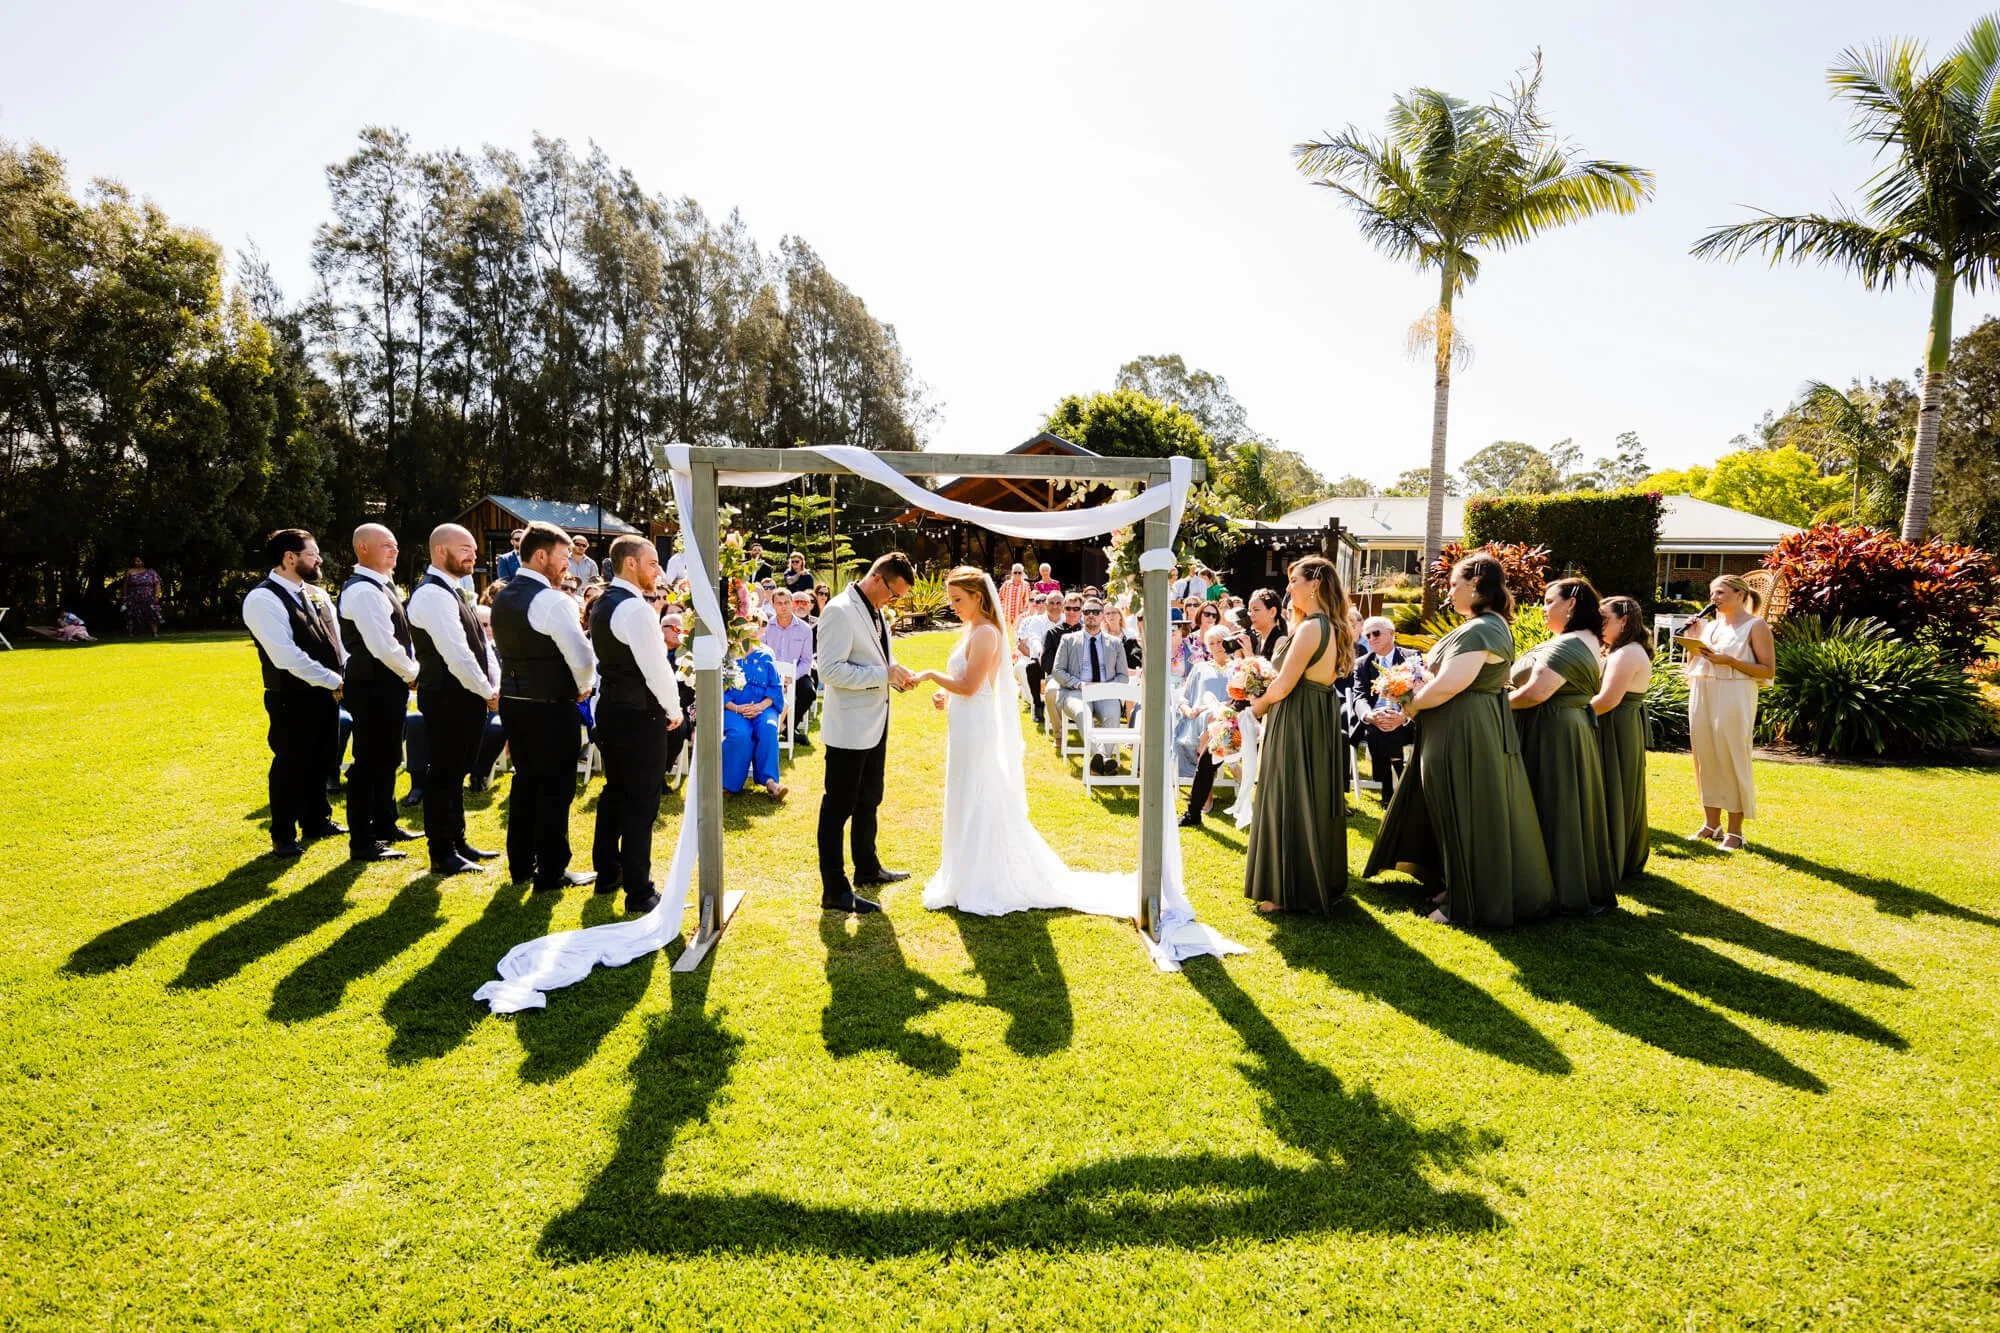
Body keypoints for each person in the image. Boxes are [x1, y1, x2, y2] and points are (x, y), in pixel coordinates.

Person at [915, 568, 1134, 917]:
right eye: (951, 599)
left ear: (978, 597)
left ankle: (984, 876)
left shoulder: (986, 632)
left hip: (977, 723)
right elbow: (966, 679)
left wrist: (928, 676)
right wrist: (945, 692)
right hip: (965, 721)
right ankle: (962, 871)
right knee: (964, 789)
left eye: (958, 599)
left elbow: (972, 686)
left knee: (979, 791)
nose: (952, 606)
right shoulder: (972, 630)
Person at [1365, 554, 1554, 927]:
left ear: (1477, 585)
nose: (1447, 590)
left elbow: (1451, 684)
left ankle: (1469, 900)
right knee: (1448, 808)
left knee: (1462, 808)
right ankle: (1455, 884)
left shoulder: (1483, 629)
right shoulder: (1481, 625)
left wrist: (1409, 707)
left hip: (1464, 729)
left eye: (1454, 584)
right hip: (1455, 725)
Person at [493, 520, 599, 892]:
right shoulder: (554, 601)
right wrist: (585, 688)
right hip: (550, 706)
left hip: (514, 703)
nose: (568, 563)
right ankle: (551, 870)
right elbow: (581, 656)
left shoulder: (503, 595)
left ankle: (521, 864)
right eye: (563, 556)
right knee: (555, 788)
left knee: (525, 781)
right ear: (541, 555)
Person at [1243, 556, 1350, 914]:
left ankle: (1283, 890)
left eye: (1294, 581)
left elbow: (1284, 685)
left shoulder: (1311, 629)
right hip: (1318, 717)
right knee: (1312, 796)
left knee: (1286, 795)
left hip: (1297, 717)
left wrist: (1254, 707)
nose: (1289, 588)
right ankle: (1312, 878)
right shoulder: (1333, 626)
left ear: (1314, 584)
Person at [1510, 578, 1618, 914]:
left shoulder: (1567, 646)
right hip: (1566, 727)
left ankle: (1552, 884)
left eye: (1548, 600)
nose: (1543, 608)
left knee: (1552, 802)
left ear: (1571, 603)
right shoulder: (1584, 641)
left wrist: (1491, 704)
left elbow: (1535, 694)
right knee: (1564, 803)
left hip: (1552, 731)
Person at [817, 551, 916, 913]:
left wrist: (895, 673)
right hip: (848, 728)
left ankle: (867, 868)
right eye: (894, 594)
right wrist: (882, 676)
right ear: (878, 579)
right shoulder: (839, 611)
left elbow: (875, 661)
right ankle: (834, 889)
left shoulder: (874, 611)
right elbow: (829, 671)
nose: (894, 601)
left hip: (875, 722)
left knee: (870, 797)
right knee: (838, 806)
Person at [588, 535, 681, 913]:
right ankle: (639, 891)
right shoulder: (636, 609)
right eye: (653, 563)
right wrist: (674, 709)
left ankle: (608, 871)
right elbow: (656, 668)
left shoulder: (602, 603)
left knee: (615, 792)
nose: (658, 570)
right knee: (642, 801)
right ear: (631, 564)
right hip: (639, 714)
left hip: (610, 709)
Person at [243, 529, 346, 857]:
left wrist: (344, 675)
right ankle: (283, 834)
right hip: (291, 696)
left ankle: (317, 819)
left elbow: (337, 642)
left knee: (321, 758)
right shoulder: (262, 599)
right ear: (290, 557)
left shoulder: (316, 594)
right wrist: (333, 680)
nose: (319, 560)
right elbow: (285, 655)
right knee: (291, 763)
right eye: (313, 554)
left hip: (327, 693)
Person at [407, 523, 503, 876]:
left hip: (469, 695)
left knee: (457, 772)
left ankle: (458, 841)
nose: (473, 554)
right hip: (448, 695)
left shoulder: (457, 589)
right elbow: (457, 653)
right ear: (439, 551)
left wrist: (492, 683)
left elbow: (481, 644)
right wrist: (486, 690)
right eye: (464, 547)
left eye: (474, 549)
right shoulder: (431, 594)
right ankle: (441, 852)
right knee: (443, 774)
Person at [338, 523, 422, 863]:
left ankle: (386, 824)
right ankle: (363, 840)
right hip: (373, 685)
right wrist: (413, 674)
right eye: (386, 545)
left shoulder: (381, 586)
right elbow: (382, 646)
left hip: (387, 685)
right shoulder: (363, 591)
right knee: (369, 762)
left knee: (388, 759)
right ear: (363, 548)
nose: (394, 551)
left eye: (396, 545)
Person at [1683, 574, 1774, 851]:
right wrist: (1692, 639)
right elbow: (1694, 661)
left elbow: (1767, 670)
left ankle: (1736, 831)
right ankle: (1711, 823)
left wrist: (1730, 662)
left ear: (1739, 594)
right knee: (1704, 755)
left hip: (1735, 693)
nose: (1714, 599)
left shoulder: (1755, 626)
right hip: (1703, 689)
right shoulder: (1709, 626)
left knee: (1732, 755)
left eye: (1720, 593)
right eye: (1712, 593)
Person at [1592, 595, 1654, 879]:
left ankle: (1614, 856)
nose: (1599, 624)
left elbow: (1607, 700)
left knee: (1616, 785)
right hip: (1613, 722)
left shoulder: (1628, 653)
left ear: (1624, 620)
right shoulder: (1617, 649)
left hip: (1617, 725)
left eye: (1605, 618)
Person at [1050, 599, 1130, 776]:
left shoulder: (1115, 643)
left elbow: (1123, 676)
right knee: (1082, 713)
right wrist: (1079, 684)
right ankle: (1103, 759)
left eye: (1095, 611)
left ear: (1103, 616)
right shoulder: (1068, 640)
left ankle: (1099, 761)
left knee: (1112, 713)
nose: (1091, 615)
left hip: (1105, 692)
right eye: (1087, 612)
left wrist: (1108, 687)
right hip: (1075, 692)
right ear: (1082, 615)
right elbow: (1057, 671)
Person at [1345, 616, 1419, 804]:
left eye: (1376, 633)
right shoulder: (1362, 663)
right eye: (1367, 635)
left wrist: (1403, 716)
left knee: (1387, 728)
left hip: (1405, 718)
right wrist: (1369, 715)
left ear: (1391, 633)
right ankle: (1399, 778)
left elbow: (1420, 691)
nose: (1371, 638)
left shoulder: (1410, 657)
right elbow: (1359, 696)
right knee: (1377, 727)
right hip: (1374, 719)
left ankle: (1387, 792)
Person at [723, 635, 789, 799]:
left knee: (769, 727)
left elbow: (775, 687)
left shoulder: (765, 656)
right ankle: (728, 784)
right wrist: (736, 708)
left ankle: (771, 782)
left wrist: (760, 707)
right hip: (732, 708)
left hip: (763, 707)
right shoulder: (724, 657)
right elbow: (718, 689)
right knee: (740, 735)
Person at [1174, 625, 1234, 778]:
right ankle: (1215, 773)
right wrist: (1189, 711)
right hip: (1194, 721)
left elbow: (1237, 700)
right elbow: (1183, 698)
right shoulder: (1199, 668)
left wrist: (1210, 708)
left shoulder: (1236, 668)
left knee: (1212, 718)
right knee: (1208, 719)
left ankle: (1203, 776)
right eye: (1212, 643)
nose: (1216, 647)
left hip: (1224, 720)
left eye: (1220, 642)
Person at [762, 588, 817, 735]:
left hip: (796, 674)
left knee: (808, 692)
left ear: (792, 603)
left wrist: (792, 676)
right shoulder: (766, 627)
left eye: (786, 602)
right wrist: (776, 677)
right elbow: (762, 655)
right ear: (773, 605)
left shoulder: (805, 629)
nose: (783, 606)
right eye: (779, 603)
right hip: (770, 675)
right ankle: (773, 727)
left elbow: (806, 661)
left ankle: (786, 727)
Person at [1036, 594, 1084, 727]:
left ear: (1081, 610)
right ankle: (1059, 732)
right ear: (1063, 609)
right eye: (1068, 608)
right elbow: (1046, 664)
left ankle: (1093, 731)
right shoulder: (1052, 633)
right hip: (1057, 677)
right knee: (1050, 692)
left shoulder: (1088, 632)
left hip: (1084, 678)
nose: (1072, 612)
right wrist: (1065, 676)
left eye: (1076, 609)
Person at [659, 612, 697, 778]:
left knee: (675, 730)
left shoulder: (689, 657)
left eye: (682, 629)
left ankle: (660, 775)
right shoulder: (653, 653)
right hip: (653, 707)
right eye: (675, 628)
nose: (679, 632)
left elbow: (692, 692)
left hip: (681, 710)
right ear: (661, 630)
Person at [122, 556, 163, 637]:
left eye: (138, 561)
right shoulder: (130, 571)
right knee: (131, 614)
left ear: (143, 562)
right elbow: (125, 585)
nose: (136, 562)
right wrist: (124, 596)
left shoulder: (151, 572)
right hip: (133, 596)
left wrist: (156, 596)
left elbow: (157, 584)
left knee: (151, 613)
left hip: (148, 596)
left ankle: (155, 633)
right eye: (135, 561)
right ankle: (130, 633)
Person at [1245, 588, 1287, 660]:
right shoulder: (1258, 640)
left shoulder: (1281, 641)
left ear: (1272, 612)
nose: (1251, 615)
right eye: (1250, 611)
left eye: (1256, 610)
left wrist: (1250, 657)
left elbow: (1275, 671)